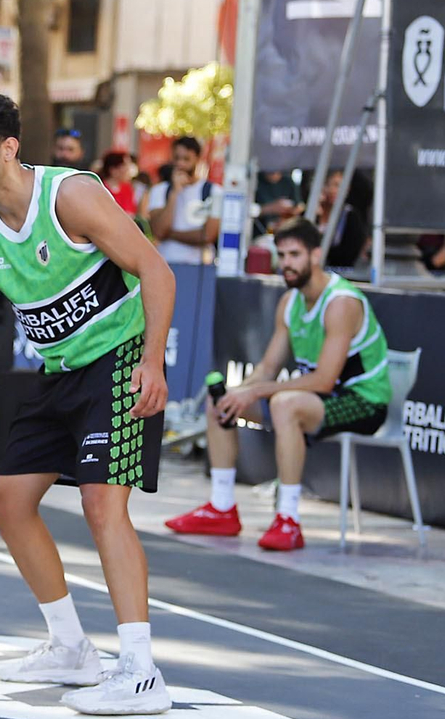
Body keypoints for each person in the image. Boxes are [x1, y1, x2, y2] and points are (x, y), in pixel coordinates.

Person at [0, 92, 177, 715]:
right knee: (8, 501)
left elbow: (156, 271)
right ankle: (71, 648)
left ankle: (140, 668)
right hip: (59, 372)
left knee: (103, 504)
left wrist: (153, 360)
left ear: (8, 147)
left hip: (121, 357)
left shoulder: (69, 196)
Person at [165, 219, 391, 551]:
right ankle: (222, 507)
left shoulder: (341, 302)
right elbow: (269, 367)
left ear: (315, 255)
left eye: (294, 254)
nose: (285, 263)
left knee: (285, 404)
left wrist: (257, 391)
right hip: (315, 399)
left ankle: (288, 519)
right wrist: (240, 392)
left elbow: (325, 381)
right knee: (220, 400)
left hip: (364, 401)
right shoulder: (290, 303)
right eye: (281, 254)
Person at [146, 136, 221, 265]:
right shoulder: (159, 190)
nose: (180, 164)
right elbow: (158, 231)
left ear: (197, 159)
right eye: (177, 158)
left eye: (186, 159)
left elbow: (207, 236)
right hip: (166, 262)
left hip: (200, 265)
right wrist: (174, 193)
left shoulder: (214, 192)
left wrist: (170, 234)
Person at [97, 149, 138, 215]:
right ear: (113, 170)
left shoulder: (127, 189)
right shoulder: (100, 188)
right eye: (125, 165)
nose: (128, 170)